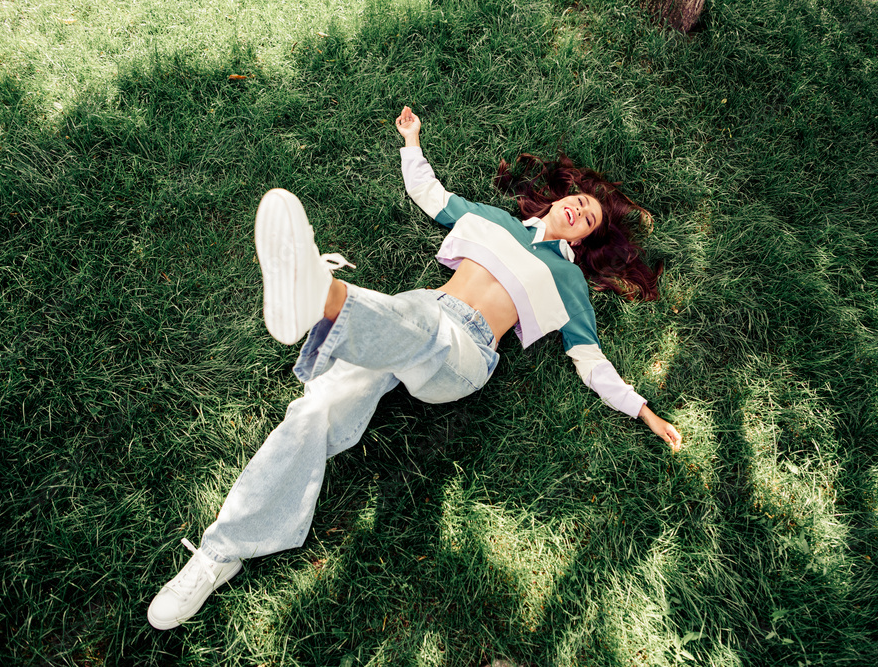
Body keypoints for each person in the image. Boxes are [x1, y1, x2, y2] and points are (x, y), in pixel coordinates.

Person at [146, 106, 682, 630]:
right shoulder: (492, 220)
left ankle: (325, 299)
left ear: (584, 239)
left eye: (588, 221)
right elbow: (431, 195)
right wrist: (412, 143)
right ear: (563, 197)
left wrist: (644, 411)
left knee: (424, 320)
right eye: (580, 202)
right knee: (313, 413)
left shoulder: (569, 285)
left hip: (463, 353)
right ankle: (221, 553)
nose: (579, 213)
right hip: (411, 316)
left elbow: (590, 362)